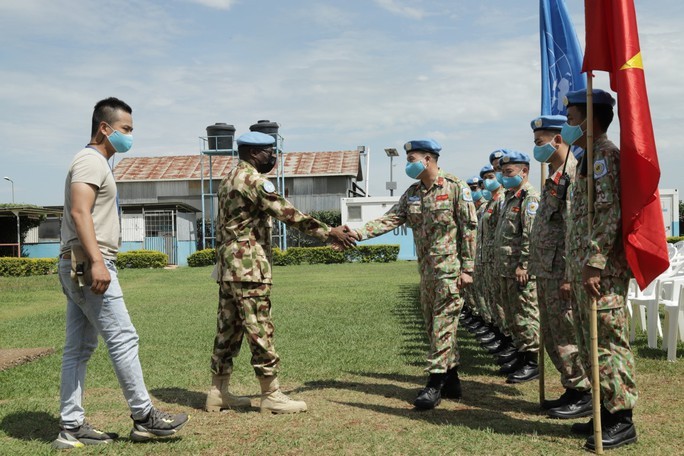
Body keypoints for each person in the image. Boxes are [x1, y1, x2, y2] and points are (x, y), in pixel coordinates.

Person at [54, 97, 189, 449]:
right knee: (123, 338)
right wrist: (97, 262)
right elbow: (81, 212)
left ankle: (71, 427)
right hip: (87, 262)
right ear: (105, 128)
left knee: (79, 348)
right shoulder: (90, 160)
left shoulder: (97, 162)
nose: (130, 136)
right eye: (125, 129)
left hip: (78, 261)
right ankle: (144, 418)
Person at [207, 131, 358, 415]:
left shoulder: (228, 179)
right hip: (249, 266)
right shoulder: (253, 180)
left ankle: (218, 392)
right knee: (259, 327)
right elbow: (287, 213)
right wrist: (329, 232)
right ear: (254, 153)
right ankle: (271, 394)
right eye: (269, 152)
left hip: (229, 266)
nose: (273, 158)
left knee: (228, 329)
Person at [353, 139, 477, 410]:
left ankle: (434, 384)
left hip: (450, 272)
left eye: (411, 159)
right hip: (427, 273)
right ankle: (452, 379)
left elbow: (469, 229)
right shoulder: (412, 193)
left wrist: (468, 269)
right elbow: (390, 219)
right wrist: (358, 233)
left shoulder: (455, 187)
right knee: (434, 327)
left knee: (442, 326)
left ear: (428, 160)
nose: (407, 164)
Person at [561, 89, 637, 450]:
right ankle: (605, 410)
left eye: (573, 118)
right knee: (589, 344)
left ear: (591, 119)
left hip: (601, 272)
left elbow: (609, 213)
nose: (568, 126)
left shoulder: (605, 156)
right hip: (583, 271)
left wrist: (594, 262)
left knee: (608, 344)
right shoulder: (587, 158)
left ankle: (622, 419)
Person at [527, 115, 591, 419]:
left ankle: (583, 391)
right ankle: (571, 388)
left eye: (539, 142)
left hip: (560, 273)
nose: (535, 148)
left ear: (557, 140)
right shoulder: (553, 176)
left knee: (566, 334)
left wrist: (569, 275)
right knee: (552, 335)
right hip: (545, 270)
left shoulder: (572, 176)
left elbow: (572, 230)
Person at [492, 151, 541, 384]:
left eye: (509, 172)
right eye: (502, 171)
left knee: (525, 315)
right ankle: (521, 356)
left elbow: (530, 235)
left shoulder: (529, 198)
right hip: (505, 269)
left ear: (524, 171)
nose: (504, 176)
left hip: (519, 271)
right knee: (512, 316)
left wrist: (524, 265)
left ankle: (532, 362)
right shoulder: (511, 197)